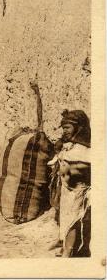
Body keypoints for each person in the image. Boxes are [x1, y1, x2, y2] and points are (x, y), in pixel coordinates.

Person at [48, 110, 91, 257]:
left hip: (77, 190)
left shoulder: (84, 148)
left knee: (73, 219)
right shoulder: (69, 145)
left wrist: (72, 167)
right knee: (64, 216)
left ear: (78, 128)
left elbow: (88, 165)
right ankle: (64, 242)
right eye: (63, 128)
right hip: (66, 189)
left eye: (68, 128)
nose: (64, 131)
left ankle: (69, 251)